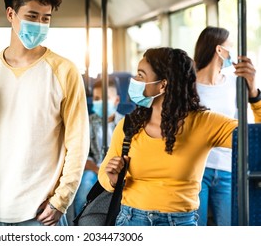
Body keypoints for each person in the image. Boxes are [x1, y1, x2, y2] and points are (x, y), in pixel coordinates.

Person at [0, 0, 89, 226]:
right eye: (32, 16)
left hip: (41, 210)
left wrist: (61, 200)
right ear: (10, 14)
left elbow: (78, 142)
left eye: (45, 18)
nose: (39, 24)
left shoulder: (64, 70)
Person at [98, 47, 261, 226]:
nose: (134, 81)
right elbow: (104, 174)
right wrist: (113, 180)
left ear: (163, 84)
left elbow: (255, 138)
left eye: (141, 75)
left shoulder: (204, 123)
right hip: (131, 220)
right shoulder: (129, 125)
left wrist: (254, 95)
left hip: (180, 223)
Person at [194, 26, 258, 226]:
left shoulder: (234, 83)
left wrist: (253, 85)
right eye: (230, 47)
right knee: (195, 226)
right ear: (219, 50)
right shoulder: (188, 85)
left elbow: (245, 123)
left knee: (230, 227)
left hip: (228, 167)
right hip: (197, 168)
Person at [73, 77, 123, 216]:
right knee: (85, 188)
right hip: (95, 168)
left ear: (116, 100)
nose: (100, 102)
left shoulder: (125, 123)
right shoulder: (87, 123)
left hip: (118, 169)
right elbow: (83, 154)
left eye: (105, 97)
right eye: (96, 98)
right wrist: (97, 169)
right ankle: (81, 220)